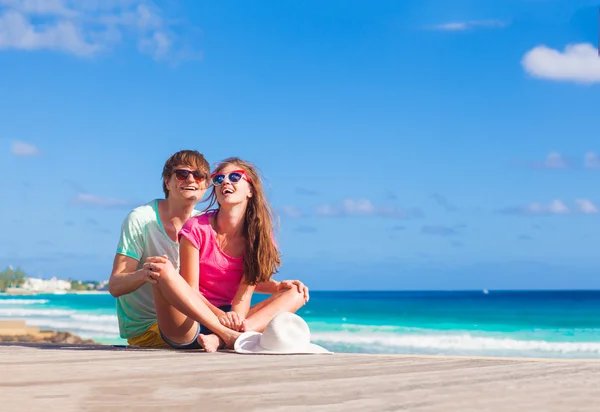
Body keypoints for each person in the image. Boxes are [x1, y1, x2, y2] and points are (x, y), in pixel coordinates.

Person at [143, 157, 308, 352]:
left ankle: (222, 339)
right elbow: (191, 291)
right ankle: (229, 337)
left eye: (235, 177)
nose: (225, 182)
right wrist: (220, 320)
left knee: (297, 293)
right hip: (190, 320)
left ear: (250, 190)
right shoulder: (196, 227)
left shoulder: (260, 238)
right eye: (219, 179)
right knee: (160, 268)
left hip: (229, 321)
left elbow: (243, 297)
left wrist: (277, 287)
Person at [108, 150, 211, 348]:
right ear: (167, 181)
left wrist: (272, 286)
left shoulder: (203, 224)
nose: (191, 179)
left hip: (190, 319)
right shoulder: (141, 219)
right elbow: (115, 285)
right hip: (148, 328)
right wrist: (145, 274)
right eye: (182, 174)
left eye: (198, 175)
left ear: (206, 184)